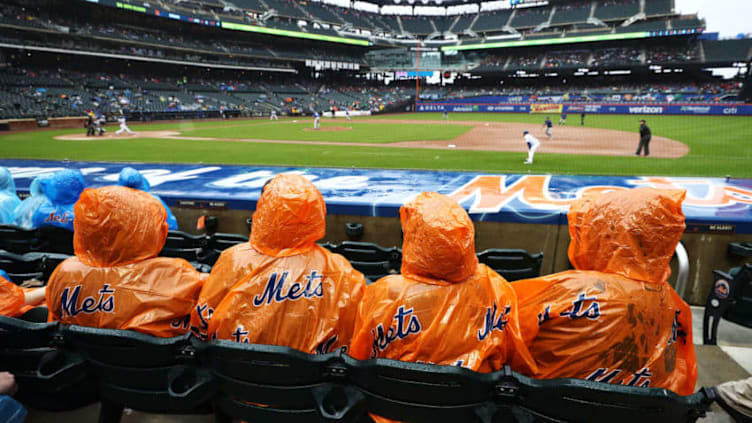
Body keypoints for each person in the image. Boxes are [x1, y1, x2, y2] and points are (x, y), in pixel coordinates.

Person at [512, 188, 697, 395]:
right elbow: (679, 380)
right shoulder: (676, 307)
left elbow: (498, 334)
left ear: (604, 234)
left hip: (549, 410)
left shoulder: (564, 290)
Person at [349, 191, 536, 377]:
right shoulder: (495, 287)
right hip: (470, 404)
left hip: (392, 404)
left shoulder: (383, 293)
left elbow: (358, 362)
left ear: (414, 238)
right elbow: (516, 360)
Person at [200, 174, 366, 353]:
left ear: (263, 210)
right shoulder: (341, 271)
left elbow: (201, 322)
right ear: (316, 213)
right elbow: (355, 340)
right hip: (311, 378)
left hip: (233, 373)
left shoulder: (232, 259)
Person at [46, 186, 205, 337]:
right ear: (146, 230)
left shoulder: (64, 273)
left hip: (83, 363)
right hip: (151, 364)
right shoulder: (176, 276)